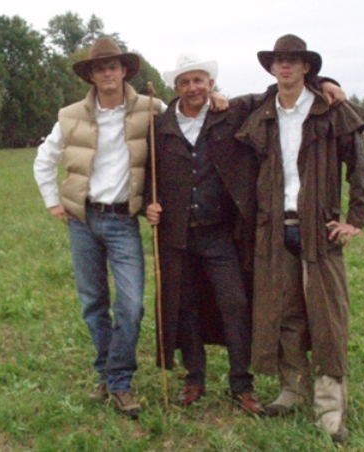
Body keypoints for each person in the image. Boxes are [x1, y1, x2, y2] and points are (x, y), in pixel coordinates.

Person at [144, 51, 347, 415]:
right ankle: (195, 379)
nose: (193, 88)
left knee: (236, 304)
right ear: (175, 87)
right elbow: (148, 172)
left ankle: (242, 383)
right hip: (176, 235)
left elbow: (278, 89)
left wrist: (322, 82)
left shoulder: (231, 112)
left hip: (220, 233)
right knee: (185, 308)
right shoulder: (160, 126)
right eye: (185, 82)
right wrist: (149, 202)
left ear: (211, 83)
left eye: (199, 80)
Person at [236, 34, 364, 443]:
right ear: (271, 67)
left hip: (319, 228)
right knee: (285, 312)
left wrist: (356, 219)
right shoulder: (263, 111)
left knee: (328, 318)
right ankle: (292, 388)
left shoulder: (329, 110)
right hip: (275, 227)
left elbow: (359, 165)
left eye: (293, 60)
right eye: (278, 60)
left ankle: (330, 408)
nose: (285, 66)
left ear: (306, 67)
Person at [33, 36, 164, 420]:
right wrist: (53, 201)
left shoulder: (151, 108)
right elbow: (44, 160)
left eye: (113, 66)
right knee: (94, 304)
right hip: (83, 221)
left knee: (132, 305)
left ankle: (115, 378)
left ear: (125, 71)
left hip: (124, 221)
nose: (107, 73)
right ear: (91, 76)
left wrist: (217, 98)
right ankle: (114, 379)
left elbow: (190, 114)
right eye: (100, 68)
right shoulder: (70, 115)